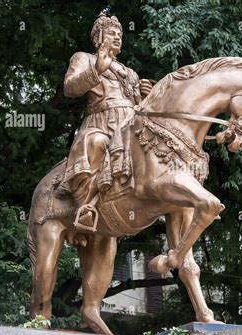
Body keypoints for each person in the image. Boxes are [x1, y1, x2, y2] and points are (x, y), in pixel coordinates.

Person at [55, 12, 153, 230]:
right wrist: (96, 69)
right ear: (99, 37)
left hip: (130, 124)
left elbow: (138, 105)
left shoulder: (131, 73)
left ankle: (158, 194)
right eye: (111, 33)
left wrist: (145, 95)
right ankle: (85, 206)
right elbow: (70, 88)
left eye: (120, 34)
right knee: (96, 142)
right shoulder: (84, 58)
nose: (117, 37)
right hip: (101, 122)